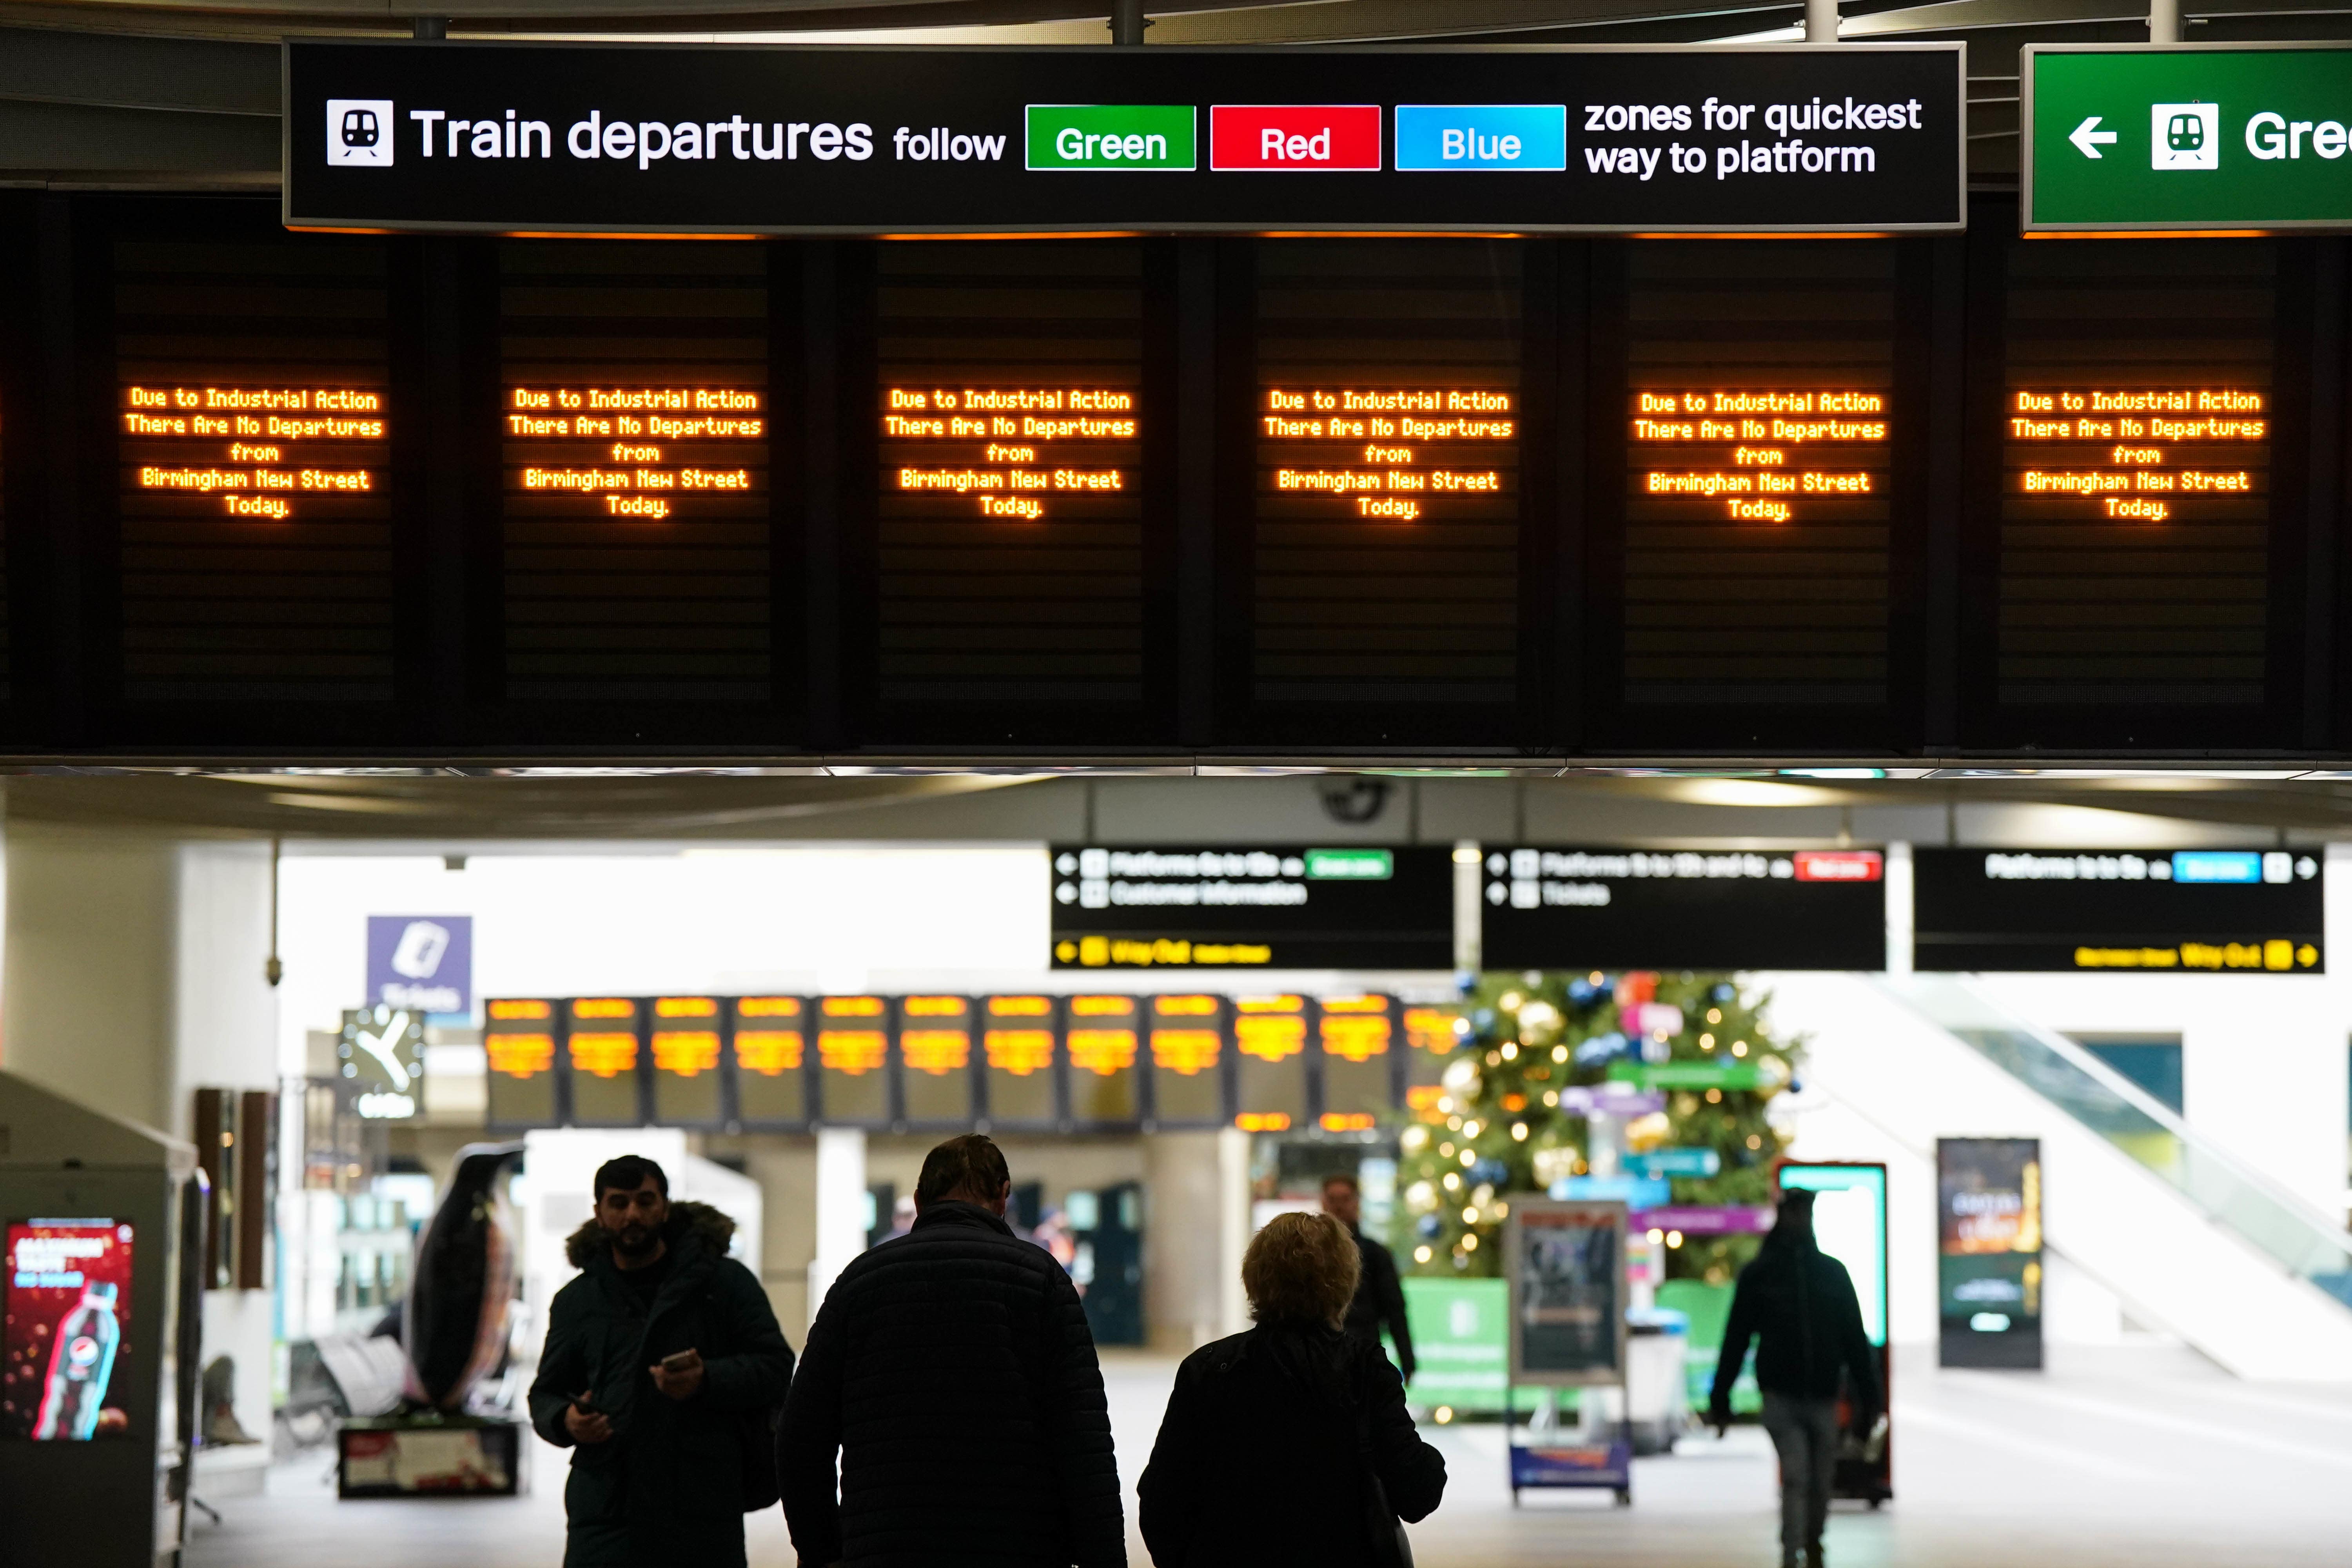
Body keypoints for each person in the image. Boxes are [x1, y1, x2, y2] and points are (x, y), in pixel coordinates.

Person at [776, 1134, 1124, 1568]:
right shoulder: (1040, 1279)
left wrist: (823, 1552)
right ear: (1003, 1197)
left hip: (887, 1546)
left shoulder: (860, 1281)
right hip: (1016, 1546)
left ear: (920, 1201)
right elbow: (1083, 1440)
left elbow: (800, 1437)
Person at [527, 1154, 795, 1568]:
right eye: (619, 1203)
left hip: (700, 1504)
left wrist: (707, 1378)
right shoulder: (578, 1300)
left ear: (665, 1207)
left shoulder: (723, 1283)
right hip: (607, 1508)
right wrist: (566, 1419)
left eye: (645, 1200)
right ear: (599, 1213)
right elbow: (546, 1391)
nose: (633, 1213)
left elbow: (776, 1366)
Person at [1139, 1211, 1445, 1568]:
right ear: (1344, 1282)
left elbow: (1162, 1502)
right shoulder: (1365, 1369)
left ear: (1254, 1278)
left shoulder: (1208, 1369)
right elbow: (1416, 1494)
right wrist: (1432, 1463)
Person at [1708, 1189, 1881, 1568]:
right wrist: (1720, 1398)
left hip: (1822, 1395)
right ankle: (1792, 1552)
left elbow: (1854, 1338)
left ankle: (1814, 1541)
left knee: (1821, 1479)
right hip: (1781, 1396)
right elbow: (1736, 1338)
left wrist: (1870, 1397)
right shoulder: (1762, 1275)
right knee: (1798, 1474)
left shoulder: (1831, 1274)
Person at [1319, 1174, 1417, 1383]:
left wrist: (1407, 1359)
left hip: (1361, 1353)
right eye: (1333, 1199)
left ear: (1357, 1203)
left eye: (1345, 1199)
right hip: (1320, 1354)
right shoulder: (1309, 1252)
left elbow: (1395, 1309)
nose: (1339, 1207)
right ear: (1323, 1202)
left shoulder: (1376, 1255)